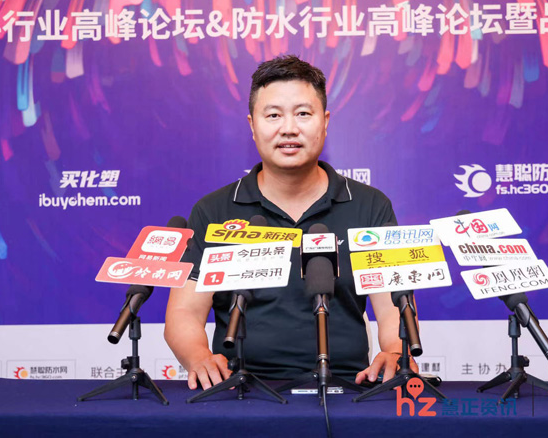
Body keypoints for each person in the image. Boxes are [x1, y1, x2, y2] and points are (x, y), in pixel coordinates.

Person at [165, 55, 417, 390]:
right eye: (273, 115)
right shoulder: (215, 210)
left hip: (347, 387)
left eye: (303, 114)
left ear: (325, 121)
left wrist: (397, 352)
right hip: (241, 388)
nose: (288, 129)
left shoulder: (370, 205)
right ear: (252, 125)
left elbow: (392, 307)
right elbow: (185, 312)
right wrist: (199, 357)